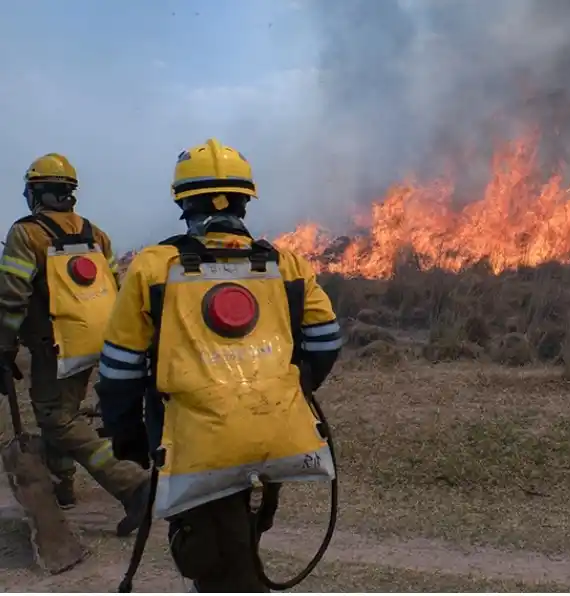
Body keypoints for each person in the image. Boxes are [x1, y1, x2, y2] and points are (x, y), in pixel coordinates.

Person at [96, 138, 342, 592]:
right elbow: (325, 340)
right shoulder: (286, 264)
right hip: (274, 430)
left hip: (193, 442)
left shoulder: (154, 267)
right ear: (245, 201)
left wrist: (129, 436)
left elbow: (120, 370)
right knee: (243, 535)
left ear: (184, 203)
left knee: (213, 556)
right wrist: (293, 388)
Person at [0, 153, 150, 534]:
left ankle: (132, 484)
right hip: (95, 340)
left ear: (35, 192)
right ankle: (62, 485)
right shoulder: (95, 234)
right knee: (63, 408)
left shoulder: (26, 233)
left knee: (56, 416)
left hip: (55, 345)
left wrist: (3, 346)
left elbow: (11, 296)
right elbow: (113, 287)